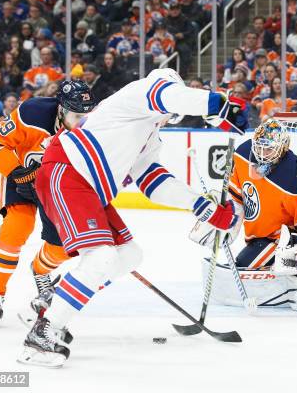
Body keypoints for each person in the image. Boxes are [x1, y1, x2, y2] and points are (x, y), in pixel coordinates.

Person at [18, 69, 245, 367]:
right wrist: (218, 105)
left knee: (128, 255)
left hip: (87, 187)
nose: (171, 116)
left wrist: (203, 206)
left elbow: (153, 183)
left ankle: (55, 302)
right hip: (68, 171)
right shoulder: (140, 93)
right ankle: (42, 334)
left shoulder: (149, 133)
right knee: (100, 258)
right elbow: (168, 94)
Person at [0, 81, 96, 326]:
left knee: (63, 243)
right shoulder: (32, 113)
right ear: (61, 109)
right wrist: (16, 171)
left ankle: (41, 270)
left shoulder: (95, 128)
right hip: (19, 176)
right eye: (75, 115)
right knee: (16, 228)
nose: (80, 123)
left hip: (55, 185)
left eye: (85, 116)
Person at [191, 120, 297, 309]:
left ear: (282, 148)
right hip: (265, 235)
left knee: (293, 265)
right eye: (259, 148)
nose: (262, 154)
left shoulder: (294, 178)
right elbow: (236, 197)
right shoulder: (242, 154)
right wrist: (226, 219)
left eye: (269, 150)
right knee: (244, 264)